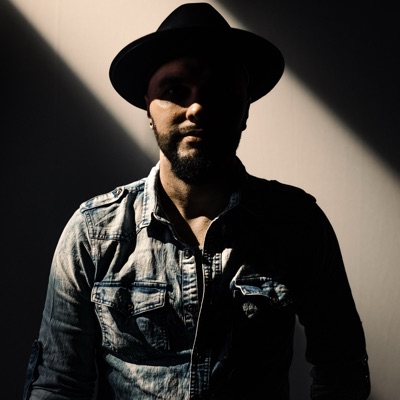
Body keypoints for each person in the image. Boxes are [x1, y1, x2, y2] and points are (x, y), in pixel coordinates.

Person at [23, 3, 371, 399]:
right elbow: (58, 384)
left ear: (244, 109)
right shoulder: (93, 233)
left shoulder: (297, 224)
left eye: (219, 91)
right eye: (175, 91)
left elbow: (342, 371)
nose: (198, 108)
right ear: (148, 107)